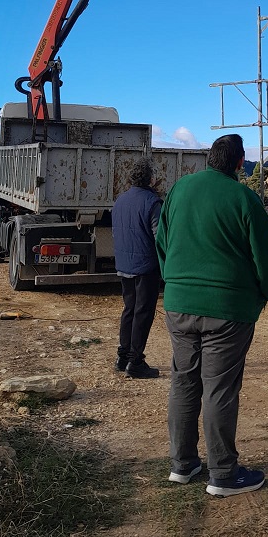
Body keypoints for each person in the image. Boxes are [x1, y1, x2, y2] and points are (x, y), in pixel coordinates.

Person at [156, 134, 268, 496]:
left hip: (179, 303)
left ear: (209, 159)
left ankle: (182, 464)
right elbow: (265, 255)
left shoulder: (180, 189)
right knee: (220, 388)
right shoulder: (244, 198)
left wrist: (174, 282)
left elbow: (162, 241)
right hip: (227, 309)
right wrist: (264, 293)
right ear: (240, 163)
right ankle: (223, 474)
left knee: (183, 381)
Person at [111, 157, 163, 380]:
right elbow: (160, 237)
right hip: (146, 267)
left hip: (124, 265)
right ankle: (136, 361)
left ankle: (123, 357)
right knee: (143, 313)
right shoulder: (152, 202)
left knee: (129, 309)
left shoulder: (120, 200)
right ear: (150, 179)